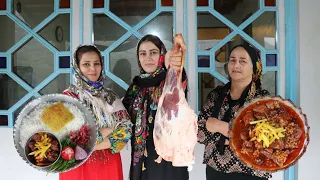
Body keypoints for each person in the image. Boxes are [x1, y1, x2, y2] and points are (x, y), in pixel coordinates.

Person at [197, 44, 271, 180]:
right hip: (215, 171)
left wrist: (220, 127)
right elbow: (200, 133)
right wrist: (238, 136)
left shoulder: (262, 100)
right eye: (232, 60)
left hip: (250, 172)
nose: (236, 65)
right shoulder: (216, 95)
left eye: (243, 61)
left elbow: (262, 141)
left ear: (254, 67)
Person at [60, 45, 132, 180]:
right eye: (86, 64)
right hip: (77, 167)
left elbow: (126, 129)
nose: (92, 69)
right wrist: (108, 130)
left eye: (96, 63)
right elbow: (68, 139)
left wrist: (89, 142)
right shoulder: (68, 98)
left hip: (108, 165)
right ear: (77, 67)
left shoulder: (110, 97)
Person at [122, 34, 189, 180]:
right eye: (143, 54)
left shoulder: (171, 79)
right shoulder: (135, 87)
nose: (148, 58)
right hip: (142, 159)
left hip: (168, 159)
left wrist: (172, 66)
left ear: (161, 55)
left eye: (153, 53)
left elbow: (180, 81)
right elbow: (124, 119)